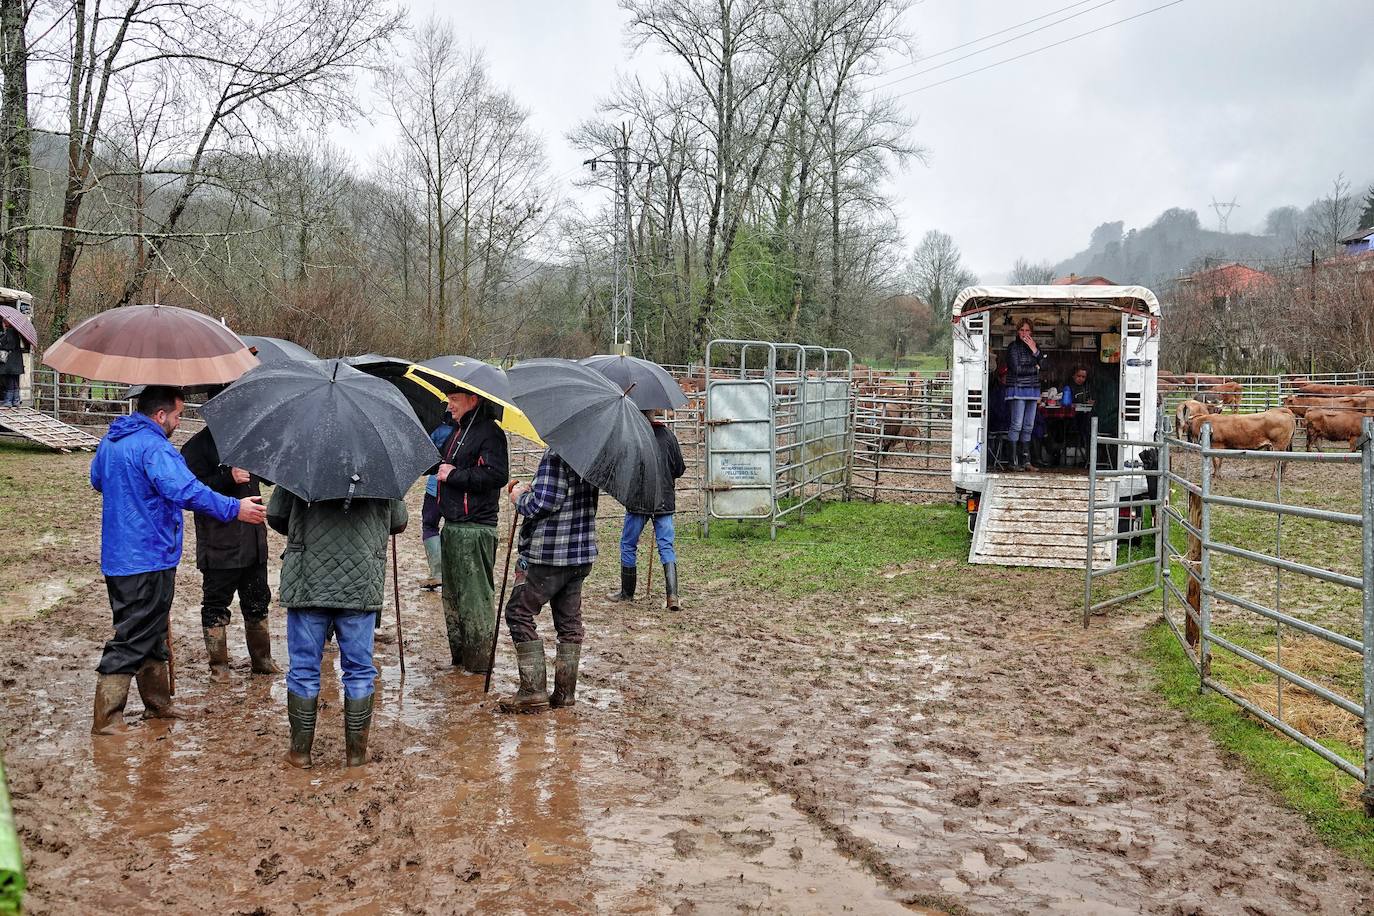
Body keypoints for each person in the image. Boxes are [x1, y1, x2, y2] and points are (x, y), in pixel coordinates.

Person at [89, 385, 267, 736]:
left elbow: (97, 480)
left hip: (120, 555)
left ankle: (158, 706)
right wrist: (235, 508)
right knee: (132, 637)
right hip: (147, 555)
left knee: (151, 633)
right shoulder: (155, 447)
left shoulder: (110, 442)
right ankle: (107, 721)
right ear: (160, 415)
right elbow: (187, 490)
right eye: (178, 414)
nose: (178, 420)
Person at [268, 488, 408, 769]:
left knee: (304, 668)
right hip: (360, 580)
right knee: (359, 671)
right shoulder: (380, 471)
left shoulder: (302, 463)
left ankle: (300, 753)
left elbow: (276, 516)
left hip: (307, 578)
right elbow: (398, 522)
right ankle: (356, 755)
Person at [499, 450, 599, 714]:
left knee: (518, 613)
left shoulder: (557, 454)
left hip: (549, 554)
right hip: (580, 553)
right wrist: (535, 487)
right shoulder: (590, 455)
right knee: (569, 623)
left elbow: (542, 504)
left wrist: (520, 496)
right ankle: (565, 694)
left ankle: (532, 691)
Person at [181, 421, 279, 681]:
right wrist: (227, 477)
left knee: (258, 601)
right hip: (219, 543)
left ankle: (262, 660)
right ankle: (219, 668)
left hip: (253, 540)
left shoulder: (248, 438)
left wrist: (275, 454)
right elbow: (190, 491)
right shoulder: (196, 447)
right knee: (215, 605)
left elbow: (269, 475)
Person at [435, 389, 509, 673]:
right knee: (452, 599)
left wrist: (453, 475)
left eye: (454, 399)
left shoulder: (490, 433)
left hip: (475, 527)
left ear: (472, 400)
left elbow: (496, 475)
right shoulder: (458, 431)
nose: (449, 404)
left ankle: (478, 665)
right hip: (452, 526)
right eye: (449, 399)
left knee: (474, 600)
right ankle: (461, 661)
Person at [608, 411, 686, 609]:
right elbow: (679, 468)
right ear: (653, 413)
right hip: (664, 501)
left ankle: (627, 593)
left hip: (638, 501)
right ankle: (672, 596)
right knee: (666, 546)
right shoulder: (668, 435)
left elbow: (621, 470)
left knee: (628, 544)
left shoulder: (631, 436)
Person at [419, 413, 457, 590]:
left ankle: (437, 573)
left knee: (429, 525)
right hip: (457, 489)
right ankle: (453, 573)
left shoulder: (439, 431)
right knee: (453, 527)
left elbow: (426, 459)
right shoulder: (466, 434)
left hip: (435, 487)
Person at [1004, 318, 1047, 471]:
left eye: (1027, 330)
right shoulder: (1013, 348)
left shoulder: (1035, 348)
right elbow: (1016, 369)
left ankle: (1026, 461)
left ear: (1032, 332)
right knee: (1016, 424)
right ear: (1017, 331)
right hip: (1017, 388)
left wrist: (1035, 350)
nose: (1024, 333)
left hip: (1033, 389)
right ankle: (1013, 461)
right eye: (1021, 330)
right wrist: (1035, 368)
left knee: (1028, 426)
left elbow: (1045, 365)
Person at [0, 315, 28, 407]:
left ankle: (8, 401)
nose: (2, 324)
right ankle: (16, 400)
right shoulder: (16, 333)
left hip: (10, 363)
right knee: (15, 381)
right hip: (16, 362)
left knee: (10, 380)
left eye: (3, 322)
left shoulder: (9, 333)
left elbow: (8, 346)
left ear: (6, 324)